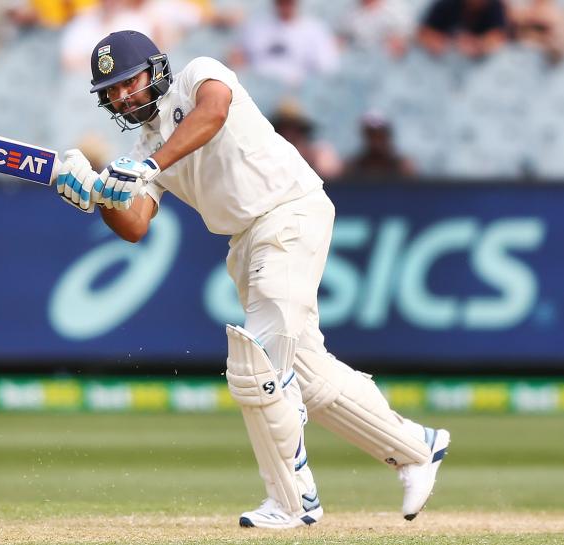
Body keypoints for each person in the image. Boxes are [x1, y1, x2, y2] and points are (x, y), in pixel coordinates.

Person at [54, 30, 450, 529]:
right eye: (109, 91)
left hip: (288, 212)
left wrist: (146, 165)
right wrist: (97, 195)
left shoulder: (199, 75)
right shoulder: (146, 144)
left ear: (155, 70)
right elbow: (134, 226)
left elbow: (214, 112)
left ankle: (293, 501)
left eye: (126, 82)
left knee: (256, 363)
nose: (120, 96)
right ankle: (418, 449)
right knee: (307, 375)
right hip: (246, 242)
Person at [229, 0, 339, 88]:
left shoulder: (315, 29)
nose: (285, 4)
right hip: (257, 87)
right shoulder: (255, 25)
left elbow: (326, 69)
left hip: (294, 92)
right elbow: (237, 58)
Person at [417, 0, 509, 58]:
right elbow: (423, 32)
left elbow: (498, 36)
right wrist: (449, 43)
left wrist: (478, 45)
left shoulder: (495, 6)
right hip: (441, 65)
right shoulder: (446, 4)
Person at [344, 112, 415, 180]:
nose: (376, 141)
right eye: (371, 135)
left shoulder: (403, 168)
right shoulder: (352, 169)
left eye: (380, 136)